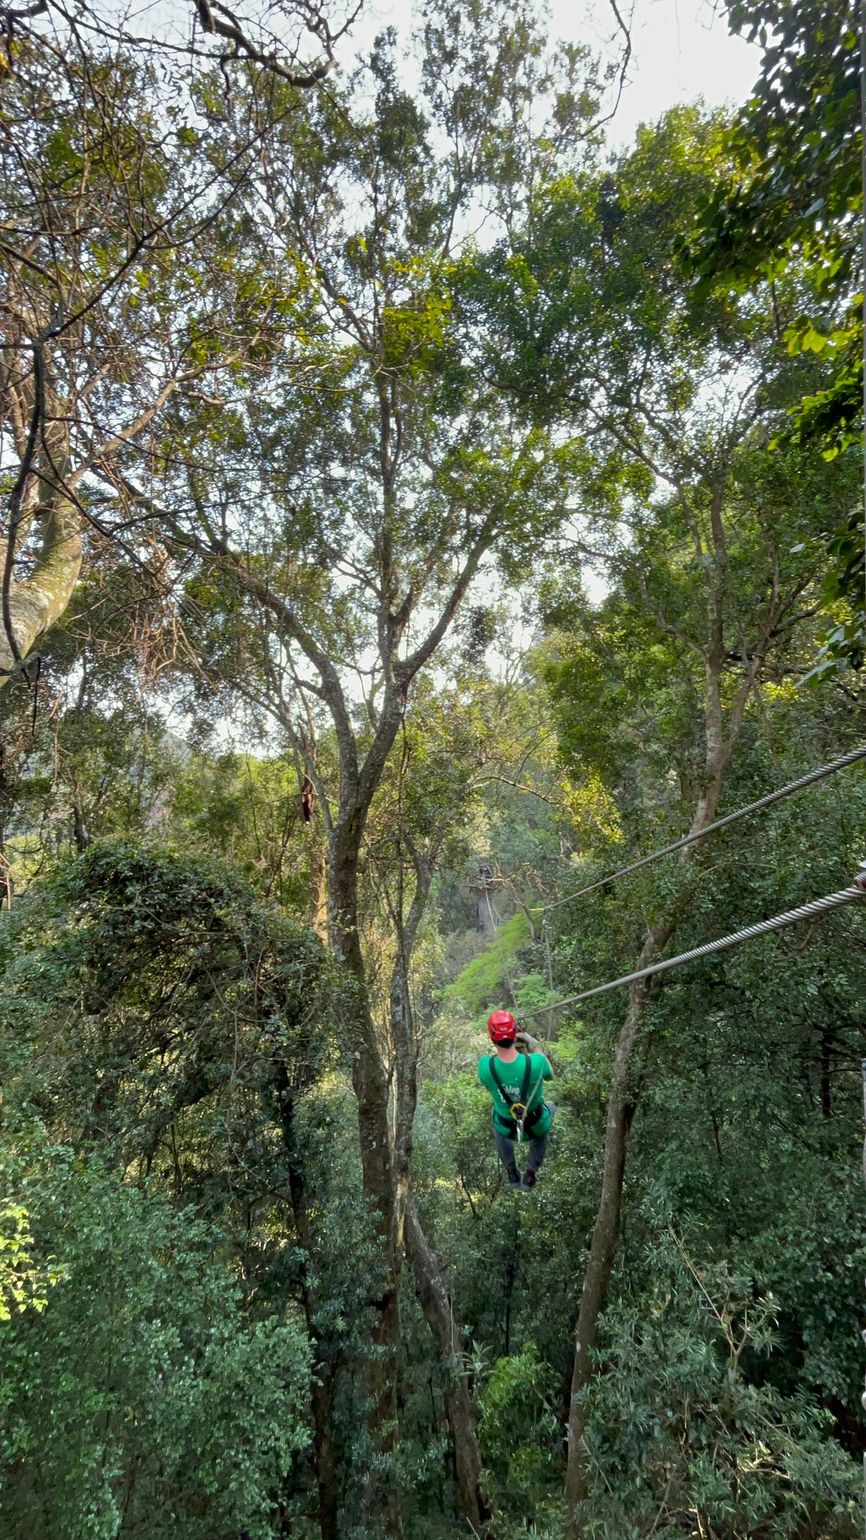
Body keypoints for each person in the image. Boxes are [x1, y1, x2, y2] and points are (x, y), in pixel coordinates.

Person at [478, 1009, 554, 1190]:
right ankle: (530, 1172)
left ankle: (511, 1172)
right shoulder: (537, 1062)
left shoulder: (485, 1067)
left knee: (494, 1112)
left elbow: (491, 1083)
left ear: (491, 1037)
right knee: (550, 1108)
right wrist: (531, 1042)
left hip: (507, 1128)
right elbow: (550, 1075)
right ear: (514, 1034)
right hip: (534, 1126)